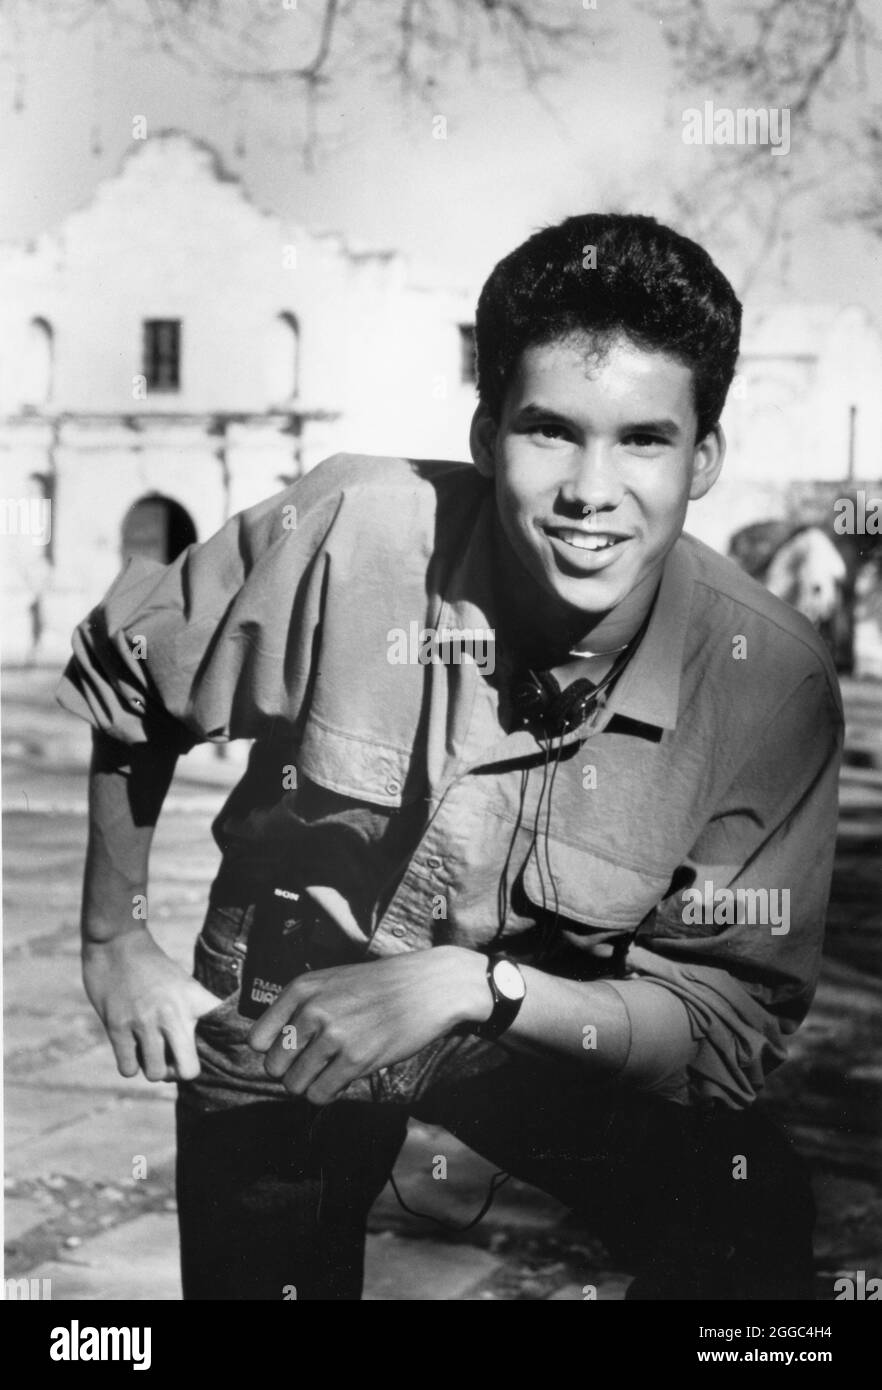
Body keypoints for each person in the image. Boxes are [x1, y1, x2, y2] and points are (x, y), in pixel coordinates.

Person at [57, 213, 843, 1301]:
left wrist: (482, 988)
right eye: (550, 430)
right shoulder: (353, 529)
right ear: (486, 435)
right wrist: (113, 937)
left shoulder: (768, 683)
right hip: (292, 1010)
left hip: (536, 1029)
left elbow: (720, 1026)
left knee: (748, 1216)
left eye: (644, 440)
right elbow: (135, 667)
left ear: (704, 457)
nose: (589, 489)